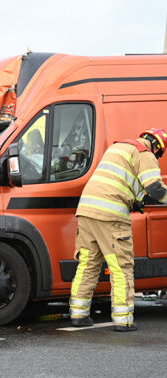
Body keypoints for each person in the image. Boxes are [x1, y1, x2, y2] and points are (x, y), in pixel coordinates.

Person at [69, 128, 167, 331]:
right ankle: (123, 320)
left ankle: (78, 314)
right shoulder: (145, 154)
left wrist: (136, 200)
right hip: (111, 215)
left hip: (86, 210)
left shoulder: (118, 148)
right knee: (121, 267)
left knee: (87, 264)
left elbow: (118, 183)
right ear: (157, 148)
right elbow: (155, 189)